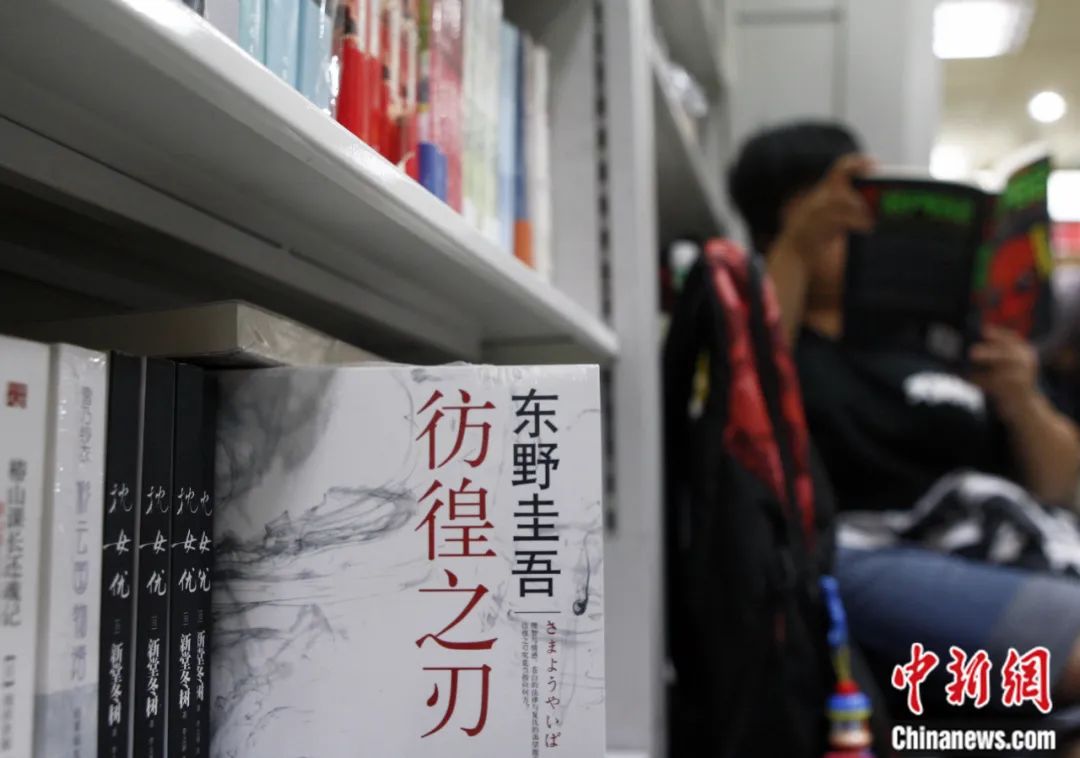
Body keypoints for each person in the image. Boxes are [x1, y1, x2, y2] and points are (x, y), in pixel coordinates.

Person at [727, 121, 1080, 715]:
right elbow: (747, 409)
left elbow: (1059, 486)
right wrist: (795, 251)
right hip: (867, 553)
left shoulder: (943, 338)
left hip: (1004, 548)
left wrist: (1024, 400)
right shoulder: (782, 344)